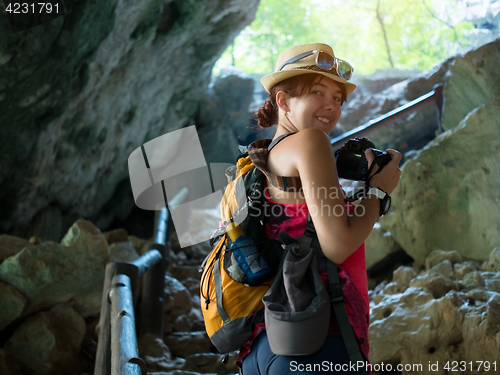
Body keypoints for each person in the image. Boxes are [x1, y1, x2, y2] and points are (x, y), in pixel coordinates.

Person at [238, 43, 402, 374]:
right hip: (314, 343)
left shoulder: (262, 159)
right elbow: (337, 245)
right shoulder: (311, 142)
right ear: (283, 101)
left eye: (338, 98)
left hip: (264, 345)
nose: (332, 105)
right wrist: (379, 191)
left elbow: (308, 230)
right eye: (317, 91)